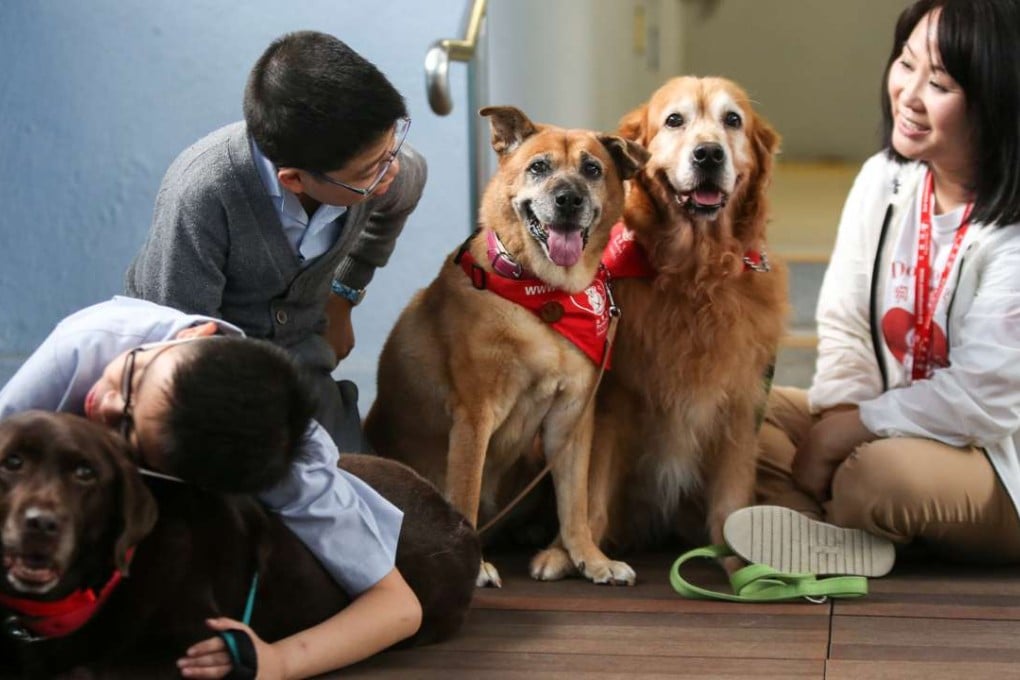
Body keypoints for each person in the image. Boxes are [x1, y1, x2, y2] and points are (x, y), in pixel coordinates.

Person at [0, 296, 422, 678]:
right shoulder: (92, 340)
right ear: (193, 335)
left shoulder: (292, 466)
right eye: (134, 377)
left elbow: (398, 607)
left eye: (124, 430)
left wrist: (280, 662)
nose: (103, 402)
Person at [746, 0, 1020, 568]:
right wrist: (839, 415)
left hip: (994, 457)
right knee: (741, 417)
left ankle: (830, 517)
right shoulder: (885, 180)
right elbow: (845, 321)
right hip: (887, 422)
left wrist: (847, 435)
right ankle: (839, 535)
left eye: (939, 82)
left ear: (998, 97)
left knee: (876, 478)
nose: (909, 94)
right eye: (905, 62)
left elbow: (983, 399)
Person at [124, 30, 427, 451]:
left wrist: (343, 297)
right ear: (294, 179)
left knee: (370, 498)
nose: (390, 171)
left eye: (393, 146)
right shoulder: (204, 193)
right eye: (370, 171)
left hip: (302, 365)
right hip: (201, 378)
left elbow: (407, 188)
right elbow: (179, 347)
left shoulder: (382, 171)